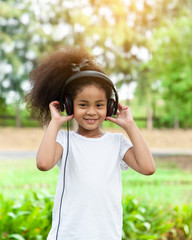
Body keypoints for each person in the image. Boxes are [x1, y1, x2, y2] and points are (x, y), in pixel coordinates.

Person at [25, 46, 155, 240]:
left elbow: (148, 168)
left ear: (110, 107)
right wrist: (55, 122)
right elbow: (43, 164)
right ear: (69, 106)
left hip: (106, 235)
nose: (92, 112)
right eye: (83, 104)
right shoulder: (64, 140)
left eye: (99, 105)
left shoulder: (117, 142)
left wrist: (129, 125)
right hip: (68, 235)